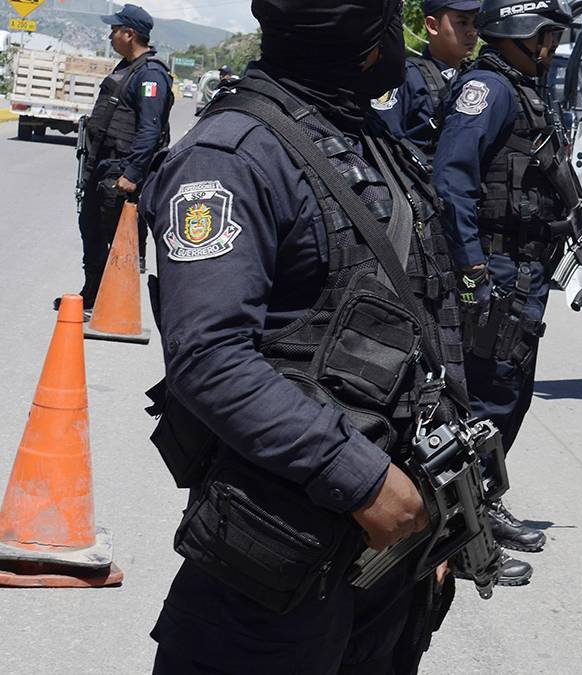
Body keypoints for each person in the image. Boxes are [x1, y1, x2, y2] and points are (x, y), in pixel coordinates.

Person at [141, 1, 467, 670]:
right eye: (390, 21)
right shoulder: (230, 156)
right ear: (365, 43)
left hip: (386, 552)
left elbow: (423, 321)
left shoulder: (364, 139)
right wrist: (364, 481)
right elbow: (209, 357)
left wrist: (438, 514)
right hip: (275, 555)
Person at [433, 0, 581, 585]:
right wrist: (471, 268)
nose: (552, 48)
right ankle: (458, 534)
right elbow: (452, 181)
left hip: (523, 268)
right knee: (485, 398)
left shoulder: (524, 91)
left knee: (509, 392)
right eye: (547, 37)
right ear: (520, 34)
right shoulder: (488, 90)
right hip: (495, 266)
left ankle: (483, 506)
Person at [63, 3, 171, 311]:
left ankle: (119, 306)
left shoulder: (151, 75)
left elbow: (150, 129)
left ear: (129, 33)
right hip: (103, 167)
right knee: (92, 230)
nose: (110, 35)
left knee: (120, 241)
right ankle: (92, 294)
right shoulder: (126, 68)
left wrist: (132, 174)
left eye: (114, 30)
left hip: (122, 171)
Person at [372, 0, 479, 153]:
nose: (472, 32)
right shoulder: (405, 78)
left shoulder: (478, 77)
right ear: (432, 25)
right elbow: (384, 142)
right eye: (462, 22)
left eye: (475, 23)